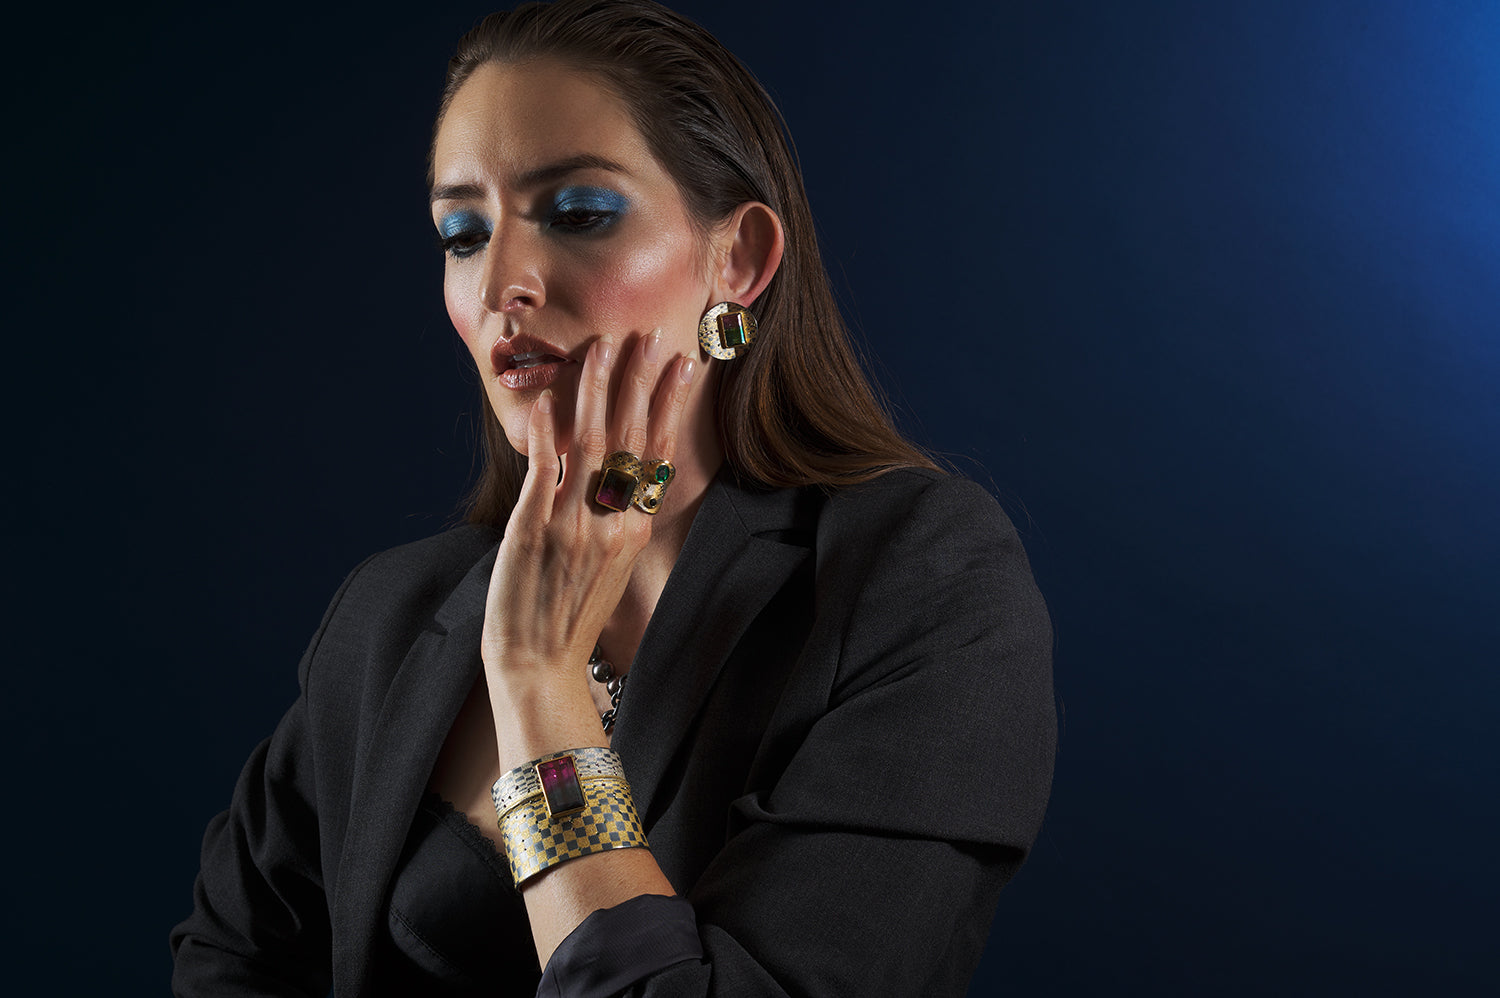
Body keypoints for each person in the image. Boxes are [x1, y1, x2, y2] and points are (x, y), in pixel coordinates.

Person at [170, 1, 1055, 994]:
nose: (501, 283)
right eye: (463, 233)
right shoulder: (389, 614)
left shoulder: (920, 579)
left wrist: (539, 676)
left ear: (738, 259)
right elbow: (230, 962)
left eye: (578, 213)